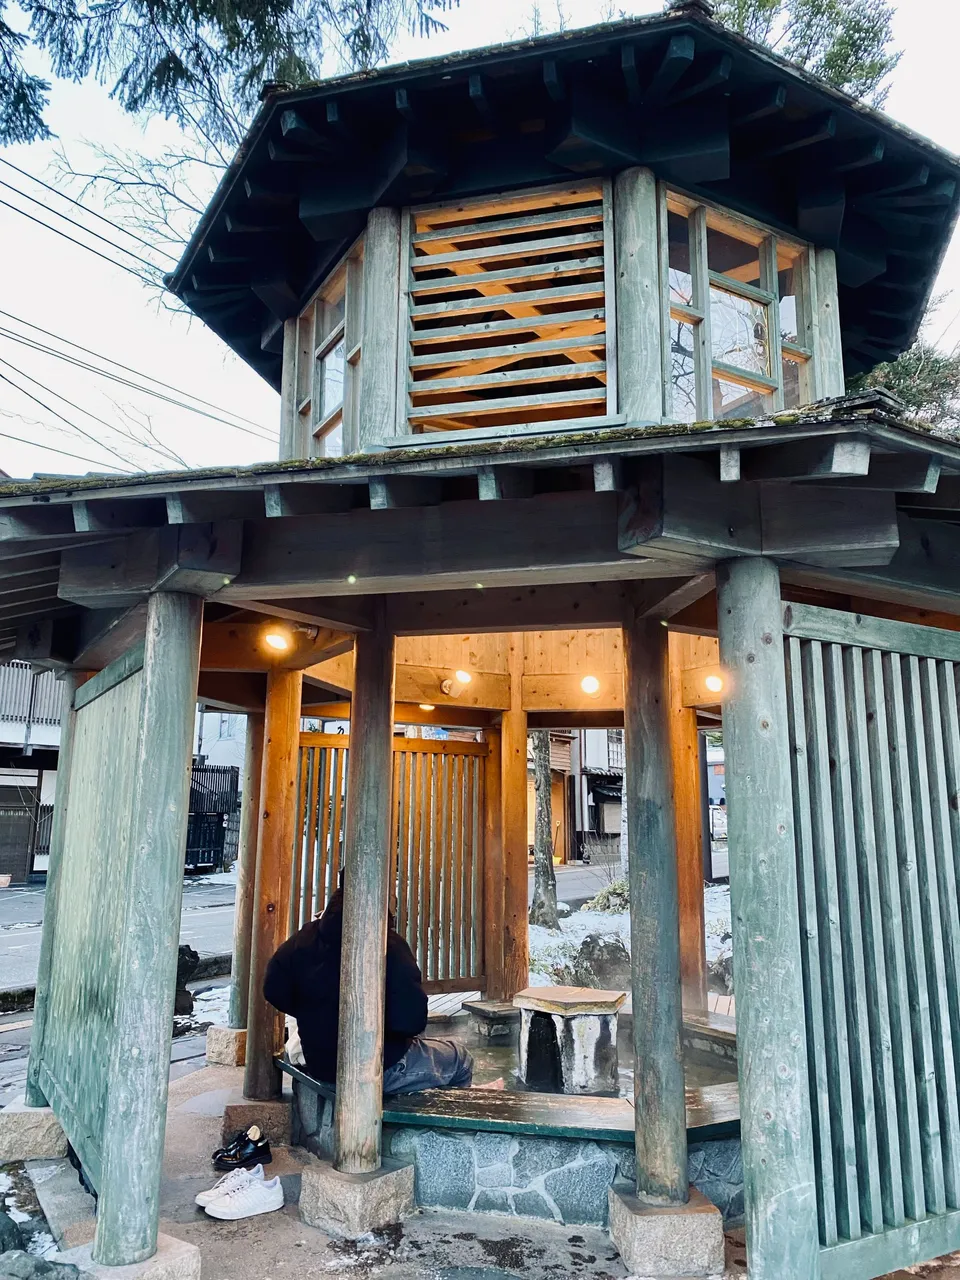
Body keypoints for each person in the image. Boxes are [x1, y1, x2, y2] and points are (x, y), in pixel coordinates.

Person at [263, 877, 473, 1095]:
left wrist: (314, 1013)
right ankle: (439, 1127)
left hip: (320, 1064)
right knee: (461, 1060)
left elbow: (272, 988)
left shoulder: (305, 937)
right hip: (378, 1067)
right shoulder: (388, 945)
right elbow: (412, 1020)